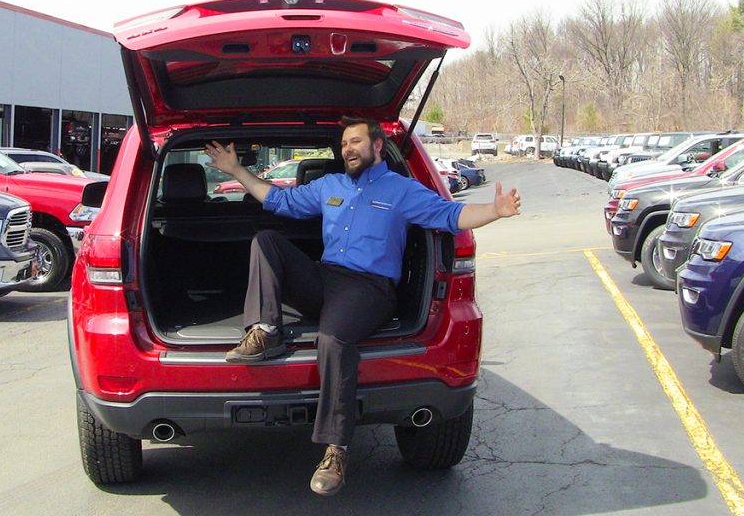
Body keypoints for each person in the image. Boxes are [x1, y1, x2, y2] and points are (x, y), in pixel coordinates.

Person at [204, 116, 520, 496]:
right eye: (343, 144)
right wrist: (237, 169)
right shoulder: (329, 186)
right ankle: (265, 331)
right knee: (267, 241)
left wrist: (494, 210)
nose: (348, 149)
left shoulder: (401, 189)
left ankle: (335, 450)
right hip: (327, 277)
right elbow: (279, 199)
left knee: (332, 339)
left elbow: (451, 216)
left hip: (370, 289)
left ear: (377, 146)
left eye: (355, 142)